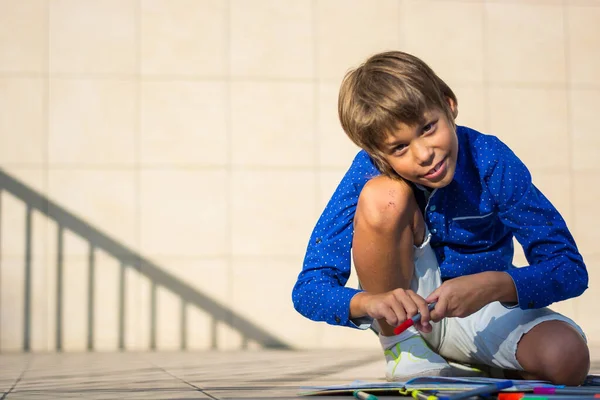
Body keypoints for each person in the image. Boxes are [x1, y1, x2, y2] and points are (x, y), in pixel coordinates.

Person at [291, 51, 590, 385]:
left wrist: (494, 285)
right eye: (399, 148)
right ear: (379, 154)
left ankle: (477, 363)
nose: (424, 154)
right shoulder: (367, 170)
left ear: (449, 105)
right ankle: (403, 348)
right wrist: (371, 303)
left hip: (486, 306)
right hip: (406, 317)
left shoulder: (489, 158)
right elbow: (309, 289)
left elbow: (569, 267)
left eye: (428, 128)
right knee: (386, 195)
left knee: (567, 358)